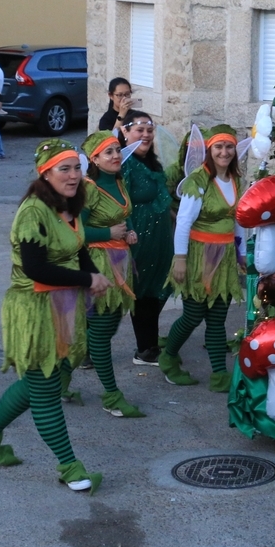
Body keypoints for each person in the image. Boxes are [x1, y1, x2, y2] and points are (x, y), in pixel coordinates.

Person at [0, 138, 107, 494]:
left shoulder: (70, 204)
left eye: (76, 167)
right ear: (45, 173)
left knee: (40, 382)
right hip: (34, 309)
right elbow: (36, 269)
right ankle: (69, 466)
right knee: (44, 390)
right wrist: (87, 279)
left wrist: (90, 274)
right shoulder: (33, 210)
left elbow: (78, 248)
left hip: (63, 307)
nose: (74, 175)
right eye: (64, 168)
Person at [160, 124, 243, 392]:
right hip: (198, 256)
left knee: (218, 318)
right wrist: (180, 259)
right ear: (209, 149)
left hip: (225, 257)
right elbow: (183, 223)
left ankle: (219, 376)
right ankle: (169, 357)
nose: (224, 152)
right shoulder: (197, 180)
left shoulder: (236, 179)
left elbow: (238, 220)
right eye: (219, 147)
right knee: (193, 314)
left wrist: (241, 252)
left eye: (229, 146)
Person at [79, 130, 145, 417]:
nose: (117, 155)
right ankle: (111, 394)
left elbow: (122, 213)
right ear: (94, 158)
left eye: (118, 149)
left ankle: (62, 379)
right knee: (102, 330)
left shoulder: (119, 180)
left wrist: (127, 231)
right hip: (98, 262)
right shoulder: (88, 188)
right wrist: (108, 232)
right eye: (109, 152)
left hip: (120, 260)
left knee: (103, 326)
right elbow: (76, 231)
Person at [119, 111, 173, 365]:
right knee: (141, 291)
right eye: (139, 129)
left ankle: (149, 342)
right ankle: (145, 348)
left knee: (158, 287)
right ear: (125, 132)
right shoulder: (124, 165)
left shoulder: (153, 163)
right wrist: (129, 232)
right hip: (138, 236)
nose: (145, 135)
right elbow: (122, 202)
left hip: (159, 237)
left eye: (149, 130)